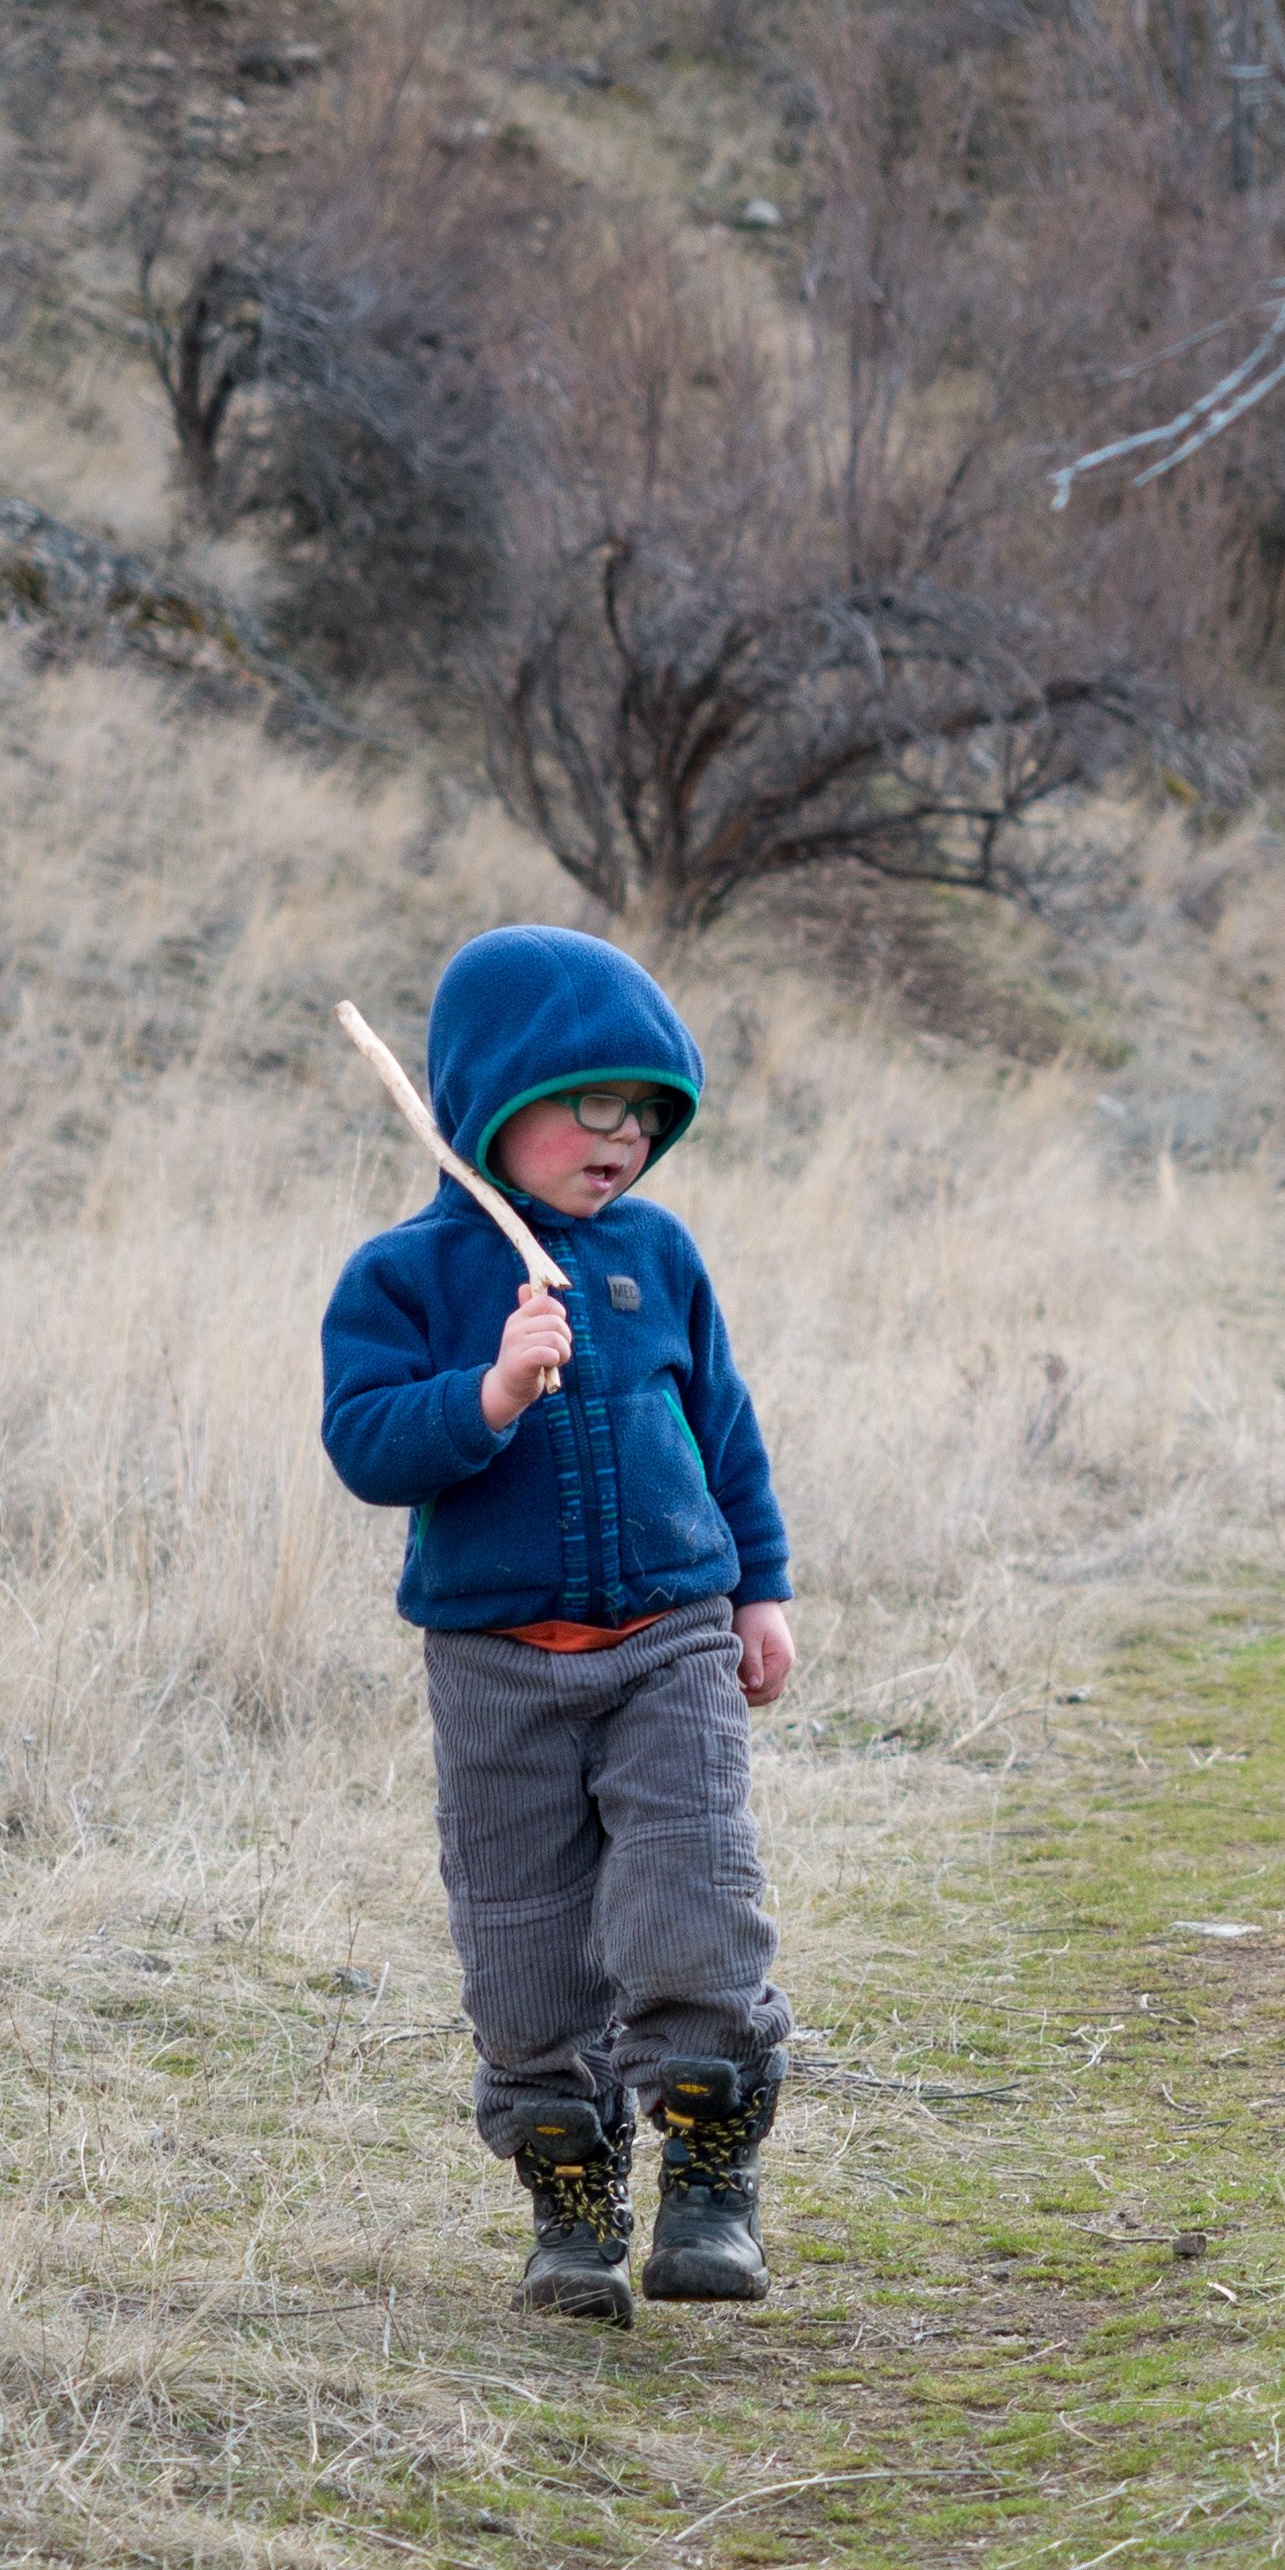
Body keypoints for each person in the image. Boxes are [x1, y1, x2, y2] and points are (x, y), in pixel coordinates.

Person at [319, 926, 799, 2325]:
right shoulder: (404, 1276)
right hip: (495, 1671)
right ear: (491, 1101)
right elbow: (365, 1442)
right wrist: (489, 1393)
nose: (628, 1136)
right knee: (525, 1958)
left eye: (650, 1111)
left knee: (692, 1902)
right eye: (596, 1101)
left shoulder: (659, 1256)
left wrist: (756, 1588)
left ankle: (710, 2174)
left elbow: (722, 1427)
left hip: (669, 1644)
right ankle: (573, 2206)